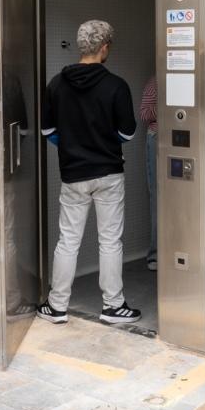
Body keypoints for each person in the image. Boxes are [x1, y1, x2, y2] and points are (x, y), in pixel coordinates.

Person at [37, 20, 141, 326]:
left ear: (82, 46)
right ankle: (113, 306)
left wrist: (72, 145)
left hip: (73, 174)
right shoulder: (116, 86)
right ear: (105, 47)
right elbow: (128, 133)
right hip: (109, 173)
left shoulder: (56, 83)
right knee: (110, 241)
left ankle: (57, 307)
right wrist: (104, 142)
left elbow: (48, 130)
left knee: (67, 241)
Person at [139, 76, 158, 271]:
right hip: (158, 137)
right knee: (158, 196)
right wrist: (166, 104)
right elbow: (144, 114)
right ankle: (156, 255)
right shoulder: (154, 84)